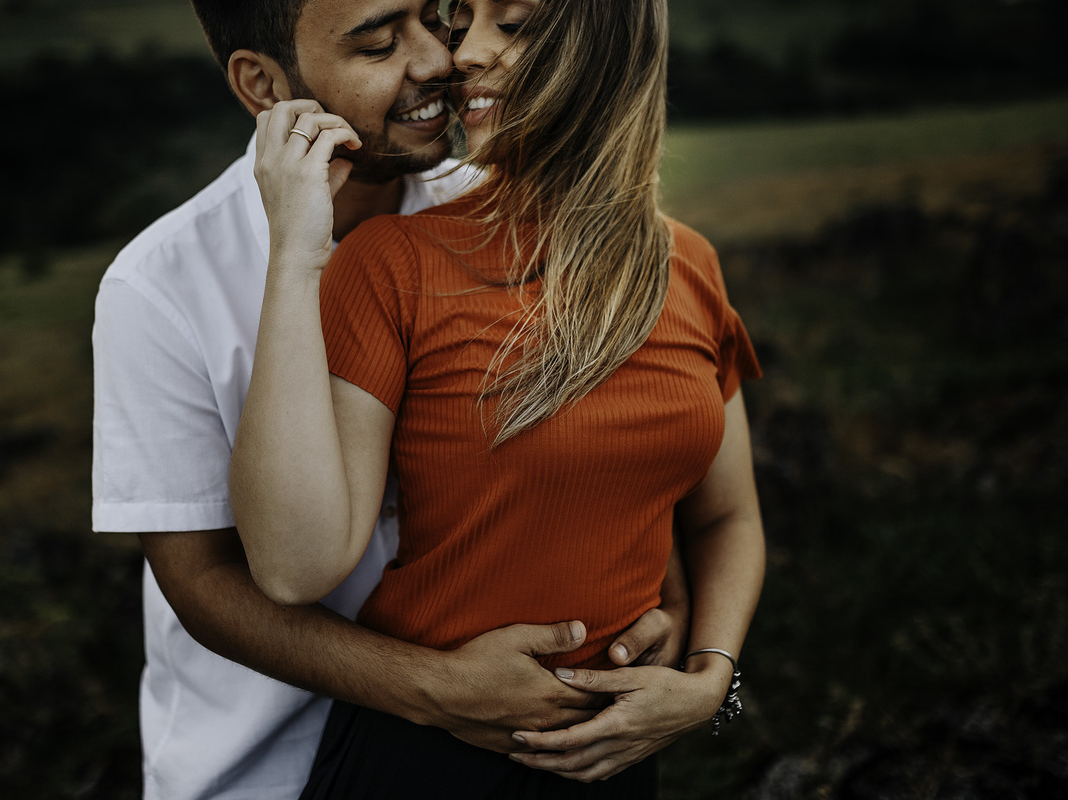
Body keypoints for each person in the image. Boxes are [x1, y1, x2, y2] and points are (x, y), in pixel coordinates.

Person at [92, 1, 689, 798]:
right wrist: (436, 691)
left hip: (487, 753)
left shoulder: (493, 205)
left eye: (434, 17)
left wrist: (669, 628)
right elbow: (202, 585)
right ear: (265, 86)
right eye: (378, 44)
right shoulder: (158, 285)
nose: (437, 60)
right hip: (258, 765)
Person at [230, 0, 767, 795]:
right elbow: (292, 566)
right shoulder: (391, 263)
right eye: (463, 20)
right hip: (425, 761)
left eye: (512, 26)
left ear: (604, 49)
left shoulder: (683, 263)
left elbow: (728, 516)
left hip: (615, 764)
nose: (463, 55)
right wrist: (296, 254)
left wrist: (709, 679)